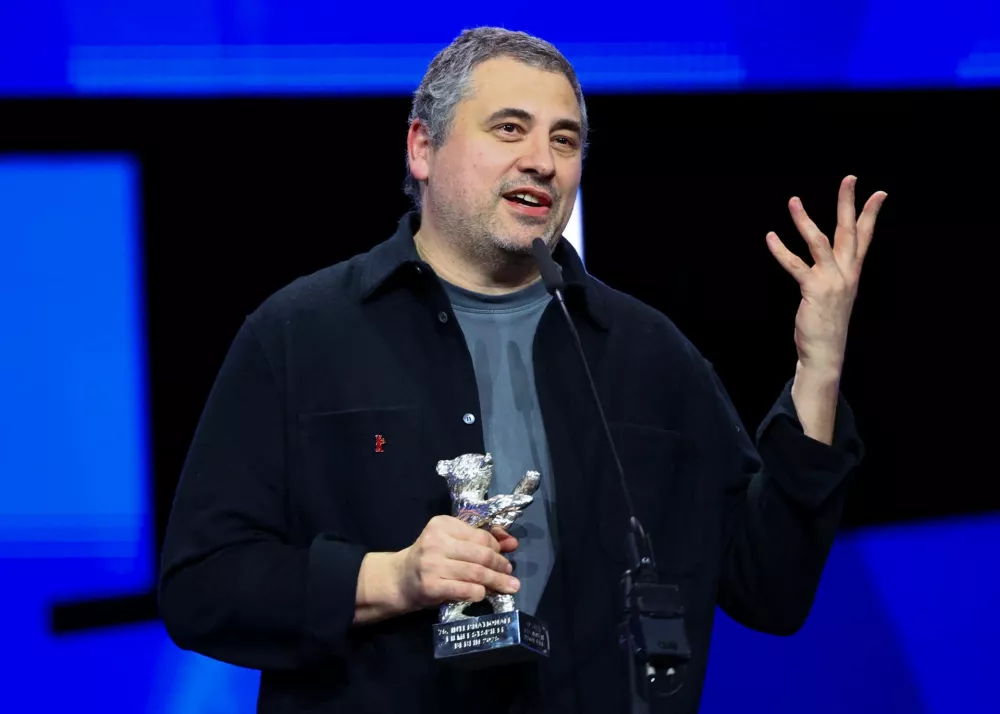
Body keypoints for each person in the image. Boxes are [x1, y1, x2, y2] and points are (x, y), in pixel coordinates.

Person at [158, 26, 886, 714]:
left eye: (564, 140)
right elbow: (203, 586)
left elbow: (769, 587)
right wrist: (390, 578)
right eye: (510, 128)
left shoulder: (648, 353)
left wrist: (818, 372)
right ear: (422, 146)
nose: (543, 159)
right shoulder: (301, 335)